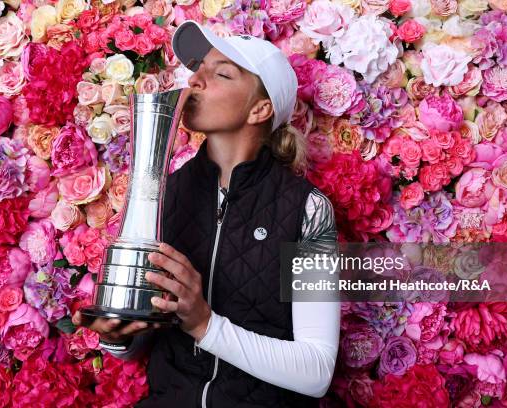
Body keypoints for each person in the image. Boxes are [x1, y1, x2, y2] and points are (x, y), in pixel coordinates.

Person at [73, 20, 341, 408]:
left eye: (222, 73)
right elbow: (138, 344)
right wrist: (118, 335)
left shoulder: (310, 210)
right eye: (199, 67)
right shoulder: (167, 193)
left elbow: (317, 372)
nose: (195, 80)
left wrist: (204, 324)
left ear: (260, 109)